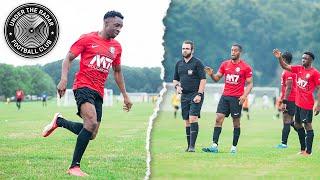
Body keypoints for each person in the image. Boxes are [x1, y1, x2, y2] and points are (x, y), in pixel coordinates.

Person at [41, 11, 133, 176]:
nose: (119, 29)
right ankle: (74, 167)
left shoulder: (117, 47)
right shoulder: (87, 39)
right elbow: (68, 58)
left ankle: (59, 122)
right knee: (90, 123)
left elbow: (117, 72)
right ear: (106, 23)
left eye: (121, 27)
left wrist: (125, 95)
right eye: (117, 26)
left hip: (99, 91)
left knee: (92, 133)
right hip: (82, 86)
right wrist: (63, 80)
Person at [202, 44, 253, 154]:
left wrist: (244, 96)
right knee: (218, 119)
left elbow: (250, 84)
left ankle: (234, 147)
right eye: (231, 50)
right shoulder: (225, 64)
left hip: (236, 98)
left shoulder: (246, 67)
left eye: (235, 51)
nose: (233, 52)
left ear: (240, 53)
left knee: (236, 123)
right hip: (225, 96)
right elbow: (216, 78)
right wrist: (211, 74)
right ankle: (214, 146)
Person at [273, 49, 320, 156]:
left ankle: (309, 152)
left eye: (306, 58)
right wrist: (280, 58)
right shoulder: (298, 69)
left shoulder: (315, 73)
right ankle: (303, 149)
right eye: (303, 58)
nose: (303, 60)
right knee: (297, 124)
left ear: (311, 60)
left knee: (307, 125)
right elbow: (285, 66)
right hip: (297, 103)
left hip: (307, 104)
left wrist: (318, 105)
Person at [173, 40, 206, 152]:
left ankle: (192, 147)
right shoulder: (179, 64)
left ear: (192, 50)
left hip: (195, 95)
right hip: (185, 96)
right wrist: (177, 86)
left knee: (193, 118)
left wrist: (200, 94)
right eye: (183, 48)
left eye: (187, 48)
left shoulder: (197, 63)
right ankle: (188, 146)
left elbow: (203, 79)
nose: (185, 50)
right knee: (187, 120)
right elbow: (175, 79)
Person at [275, 51, 297, 148]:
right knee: (290, 121)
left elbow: (289, 87)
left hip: (290, 99)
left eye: (281, 59)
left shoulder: (288, 71)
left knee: (286, 120)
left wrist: (284, 101)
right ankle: (304, 134)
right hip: (290, 99)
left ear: (284, 59)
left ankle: (283, 144)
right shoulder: (286, 70)